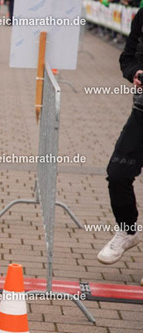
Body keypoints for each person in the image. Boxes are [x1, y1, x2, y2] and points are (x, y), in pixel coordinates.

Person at [98, 7, 143, 266]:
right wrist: (134, 73)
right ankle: (127, 231)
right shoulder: (142, 15)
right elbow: (127, 58)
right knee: (117, 173)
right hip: (141, 113)